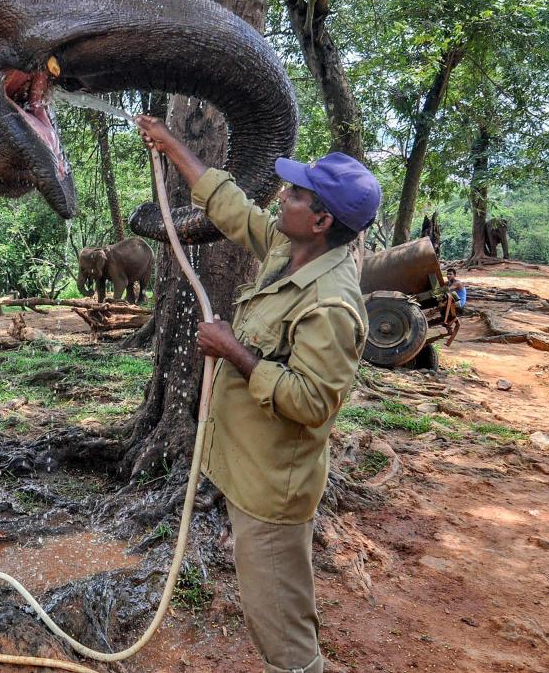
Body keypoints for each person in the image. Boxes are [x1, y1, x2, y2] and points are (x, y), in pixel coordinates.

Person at [136, 115, 380, 673]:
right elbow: (233, 209)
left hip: (273, 493)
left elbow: (313, 404)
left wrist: (235, 352)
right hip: (248, 472)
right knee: (272, 612)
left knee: (284, 639)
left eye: (296, 193)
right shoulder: (290, 251)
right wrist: (173, 146)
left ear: (320, 219)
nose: (283, 197)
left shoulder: (332, 304)